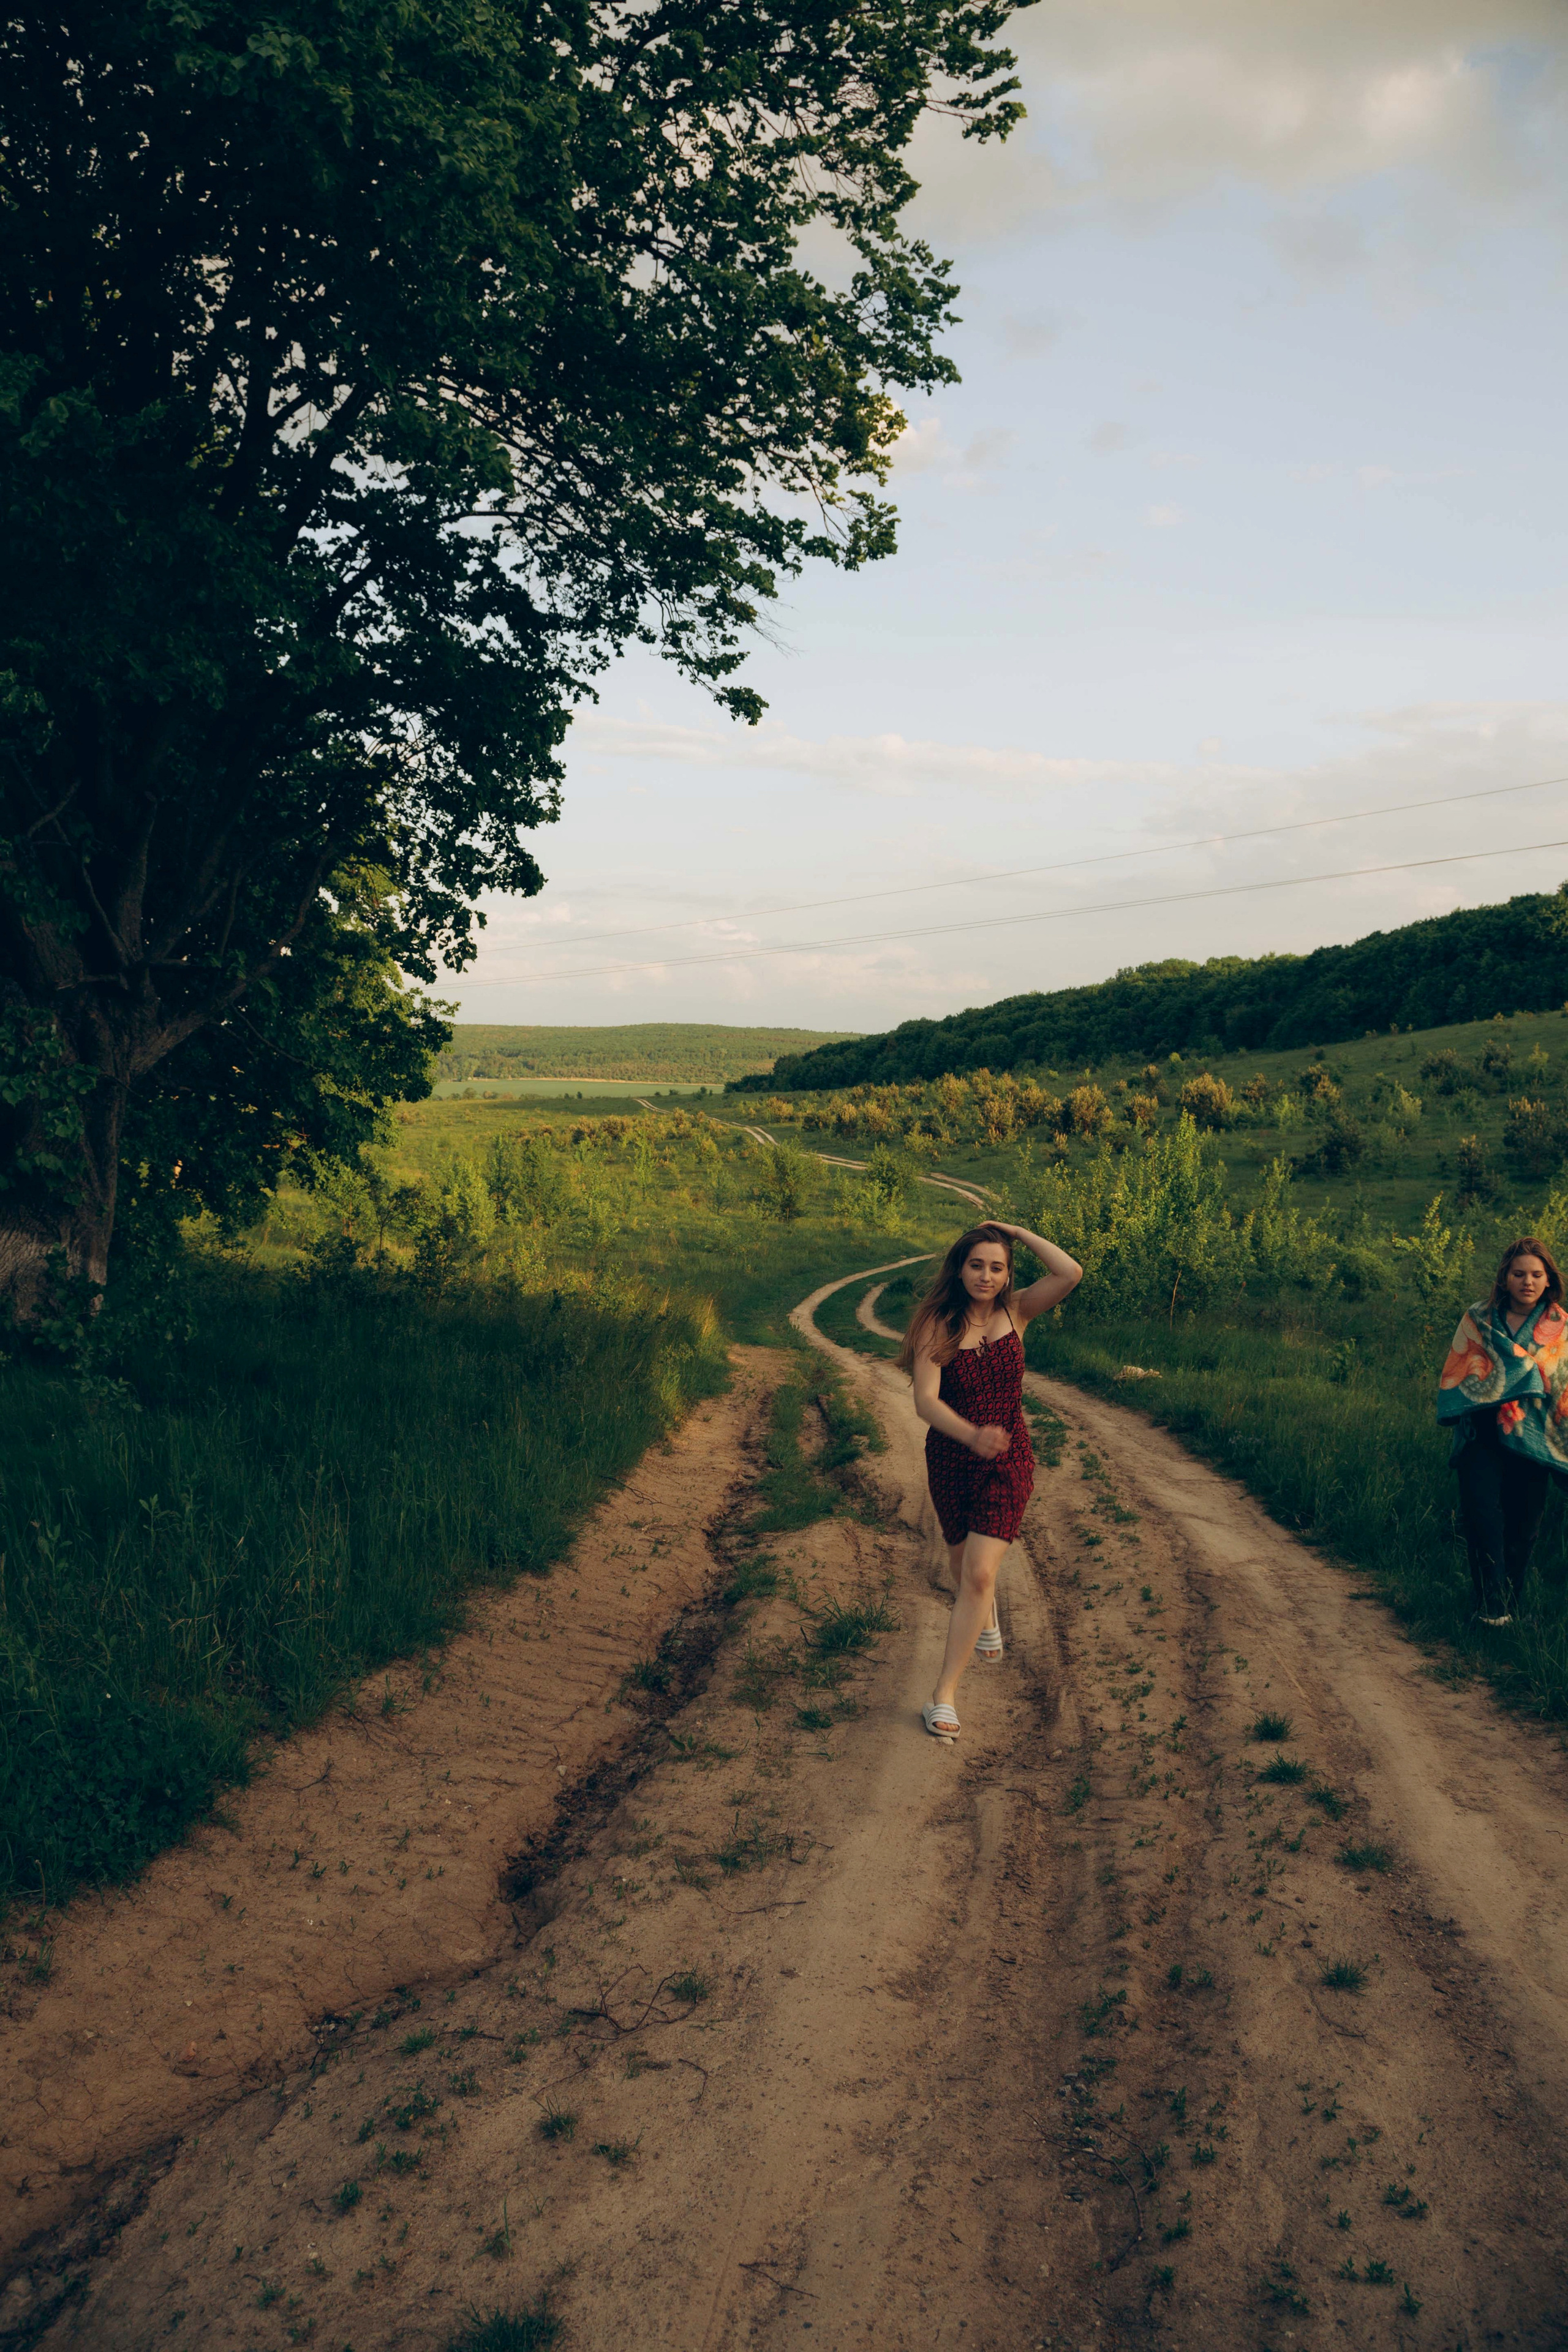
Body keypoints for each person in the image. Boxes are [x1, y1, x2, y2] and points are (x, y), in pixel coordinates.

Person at [897, 1219, 1082, 1740]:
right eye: (976, 1264)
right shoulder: (937, 1324)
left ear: (1006, 1275)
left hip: (1010, 1458)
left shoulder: (1017, 1311)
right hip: (954, 1458)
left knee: (978, 1573)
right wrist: (971, 1434)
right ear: (960, 1268)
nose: (986, 1275)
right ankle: (988, 1617)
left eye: (996, 1267)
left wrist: (1018, 1233)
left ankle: (943, 1696)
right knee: (961, 1565)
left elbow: (1069, 1272)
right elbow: (925, 1402)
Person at [1437, 1235, 1568, 1626]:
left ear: (1548, 1280)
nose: (1527, 1282)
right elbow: (1458, 1371)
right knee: (1483, 1520)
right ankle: (1489, 1606)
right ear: (1505, 1278)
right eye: (1518, 1274)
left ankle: (1511, 1601)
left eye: (1536, 1275)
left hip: (1535, 1439)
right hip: (1482, 1437)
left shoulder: (1559, 1327)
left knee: (1524, 1527)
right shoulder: (1478, 1318)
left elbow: (1562, 1387)